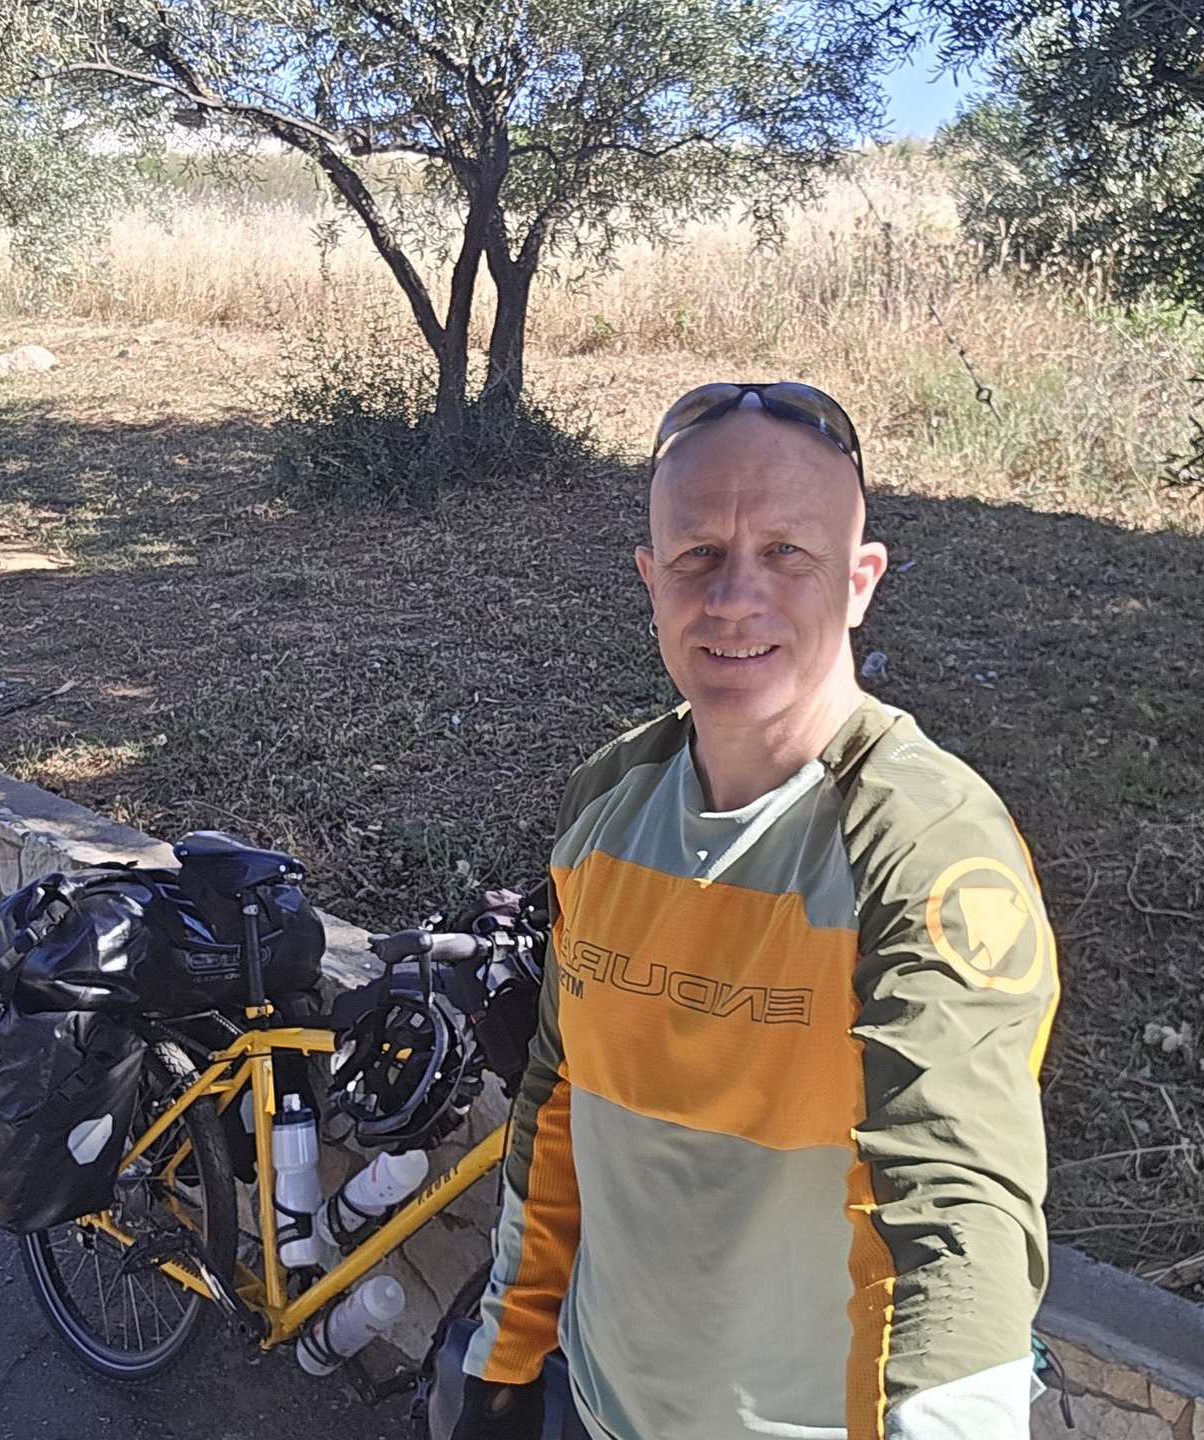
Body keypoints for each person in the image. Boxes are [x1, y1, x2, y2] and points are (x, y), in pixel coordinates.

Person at [454, 383, 1061, 1440]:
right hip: (601, 1409)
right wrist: (506, 1360)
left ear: (860, 581)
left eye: (788, 552)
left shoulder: (922, 847)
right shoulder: (606, 803)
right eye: (697, 556)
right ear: (650, 581)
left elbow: (954, 1208)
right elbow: (559, 1101)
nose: (734, 598)